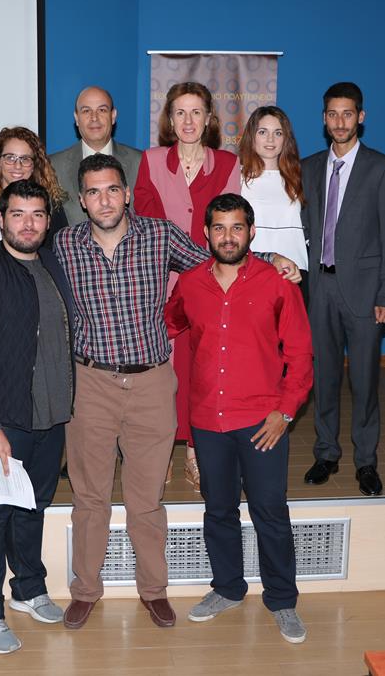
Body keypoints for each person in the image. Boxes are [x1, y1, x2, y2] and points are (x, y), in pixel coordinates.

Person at [55, 154, 298, 632]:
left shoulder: (160, 235)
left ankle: (154, 591)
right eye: (94, 192)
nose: (104, 200)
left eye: (112, 189)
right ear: (82, 201)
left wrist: (272, 259)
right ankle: (85, 590)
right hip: (91, 383)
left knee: (146, 499)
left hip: (150, 384)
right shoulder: (64, 245)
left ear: (127, 193)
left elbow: (220, 259)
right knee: (90, 497)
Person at [165, 193, 312, 643]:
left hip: (262, 422)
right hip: (209, 419)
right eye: (219, 228)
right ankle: (227, 588)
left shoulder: (277, 283)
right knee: (219, 510)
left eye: (237, 227)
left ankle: (282, 600)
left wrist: (285, 412)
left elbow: (301, 355)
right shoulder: (190, 284)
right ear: (206, 233)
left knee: (270, 511)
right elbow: (170, 323)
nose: (228, 237)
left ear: (251, 233)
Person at [0, 179, 75, 654]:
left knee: (32, 507)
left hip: (45, 418)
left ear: (47, 221)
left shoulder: (50, 267)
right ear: (0, 219)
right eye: (18, 214)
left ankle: (28, 587)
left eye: (37, 215)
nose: (28, 224)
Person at [133, 81, 241, 491]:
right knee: (161, 374)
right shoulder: (151, 160)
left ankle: (197, 452)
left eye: (196, 112)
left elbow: (228, 229)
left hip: (212, 286)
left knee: (204, 372)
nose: (188, 120)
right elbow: (147, 224)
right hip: (161, 286)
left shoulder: (227, 164)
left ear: (209, 118)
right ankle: (160, 451)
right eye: (180, 112)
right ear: (170, 119)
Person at [301, 82, 385, 497]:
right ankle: (326, 452)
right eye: (332, 114)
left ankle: (366, 461)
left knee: (363, 383)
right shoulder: (308, 167)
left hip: (364, 294)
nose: (340, 122)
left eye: (347, 114)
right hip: (319, 290)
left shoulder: (383, 168)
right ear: (324, 119)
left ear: (361, 117)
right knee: (323, 379)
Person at [0, 126, 69, 269]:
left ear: (33, 166)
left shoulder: (50, 208)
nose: (18, 166)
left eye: (25, 159)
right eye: (10, 158)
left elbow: (59, 261)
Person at [239, 106, 311, 307]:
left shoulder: (300, 178)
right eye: (263, 132)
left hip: (295, 275)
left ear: (286, 139)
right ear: (252, 136)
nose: (270, 139)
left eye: (278, 133)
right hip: (251, 273)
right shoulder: (236, 177)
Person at [50, 86, 142, 225]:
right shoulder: (53, 166)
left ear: (113, 116)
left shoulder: (140, 162)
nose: (94, 118)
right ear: (76, 118)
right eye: (86, 111)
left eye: (102, 110)